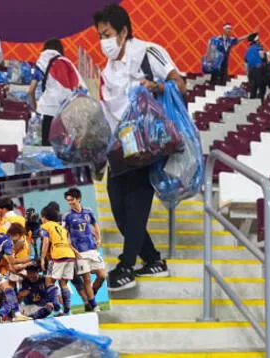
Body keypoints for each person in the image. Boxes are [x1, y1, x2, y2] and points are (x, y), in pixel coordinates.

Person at [93, 4, 182, 291]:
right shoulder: (107, 70)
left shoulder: (148, 52)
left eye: (106, 34)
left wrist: (156, 87)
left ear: (123, 32)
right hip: (119, 148)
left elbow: (179, 83)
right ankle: (154, 259)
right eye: (99, 36)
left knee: (136, 206)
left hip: (145, 145)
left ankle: (126, 265)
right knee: (118, 208)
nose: (103, 41)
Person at [27, 38, 87, 146]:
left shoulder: (42, 60)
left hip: (48, 112)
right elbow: (82, 89)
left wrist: (35, 108)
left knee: (46, 150)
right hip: (66, 113)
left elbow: (31, 90)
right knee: (61, 151)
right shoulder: (67, 62)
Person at [62, 188, 106, 311]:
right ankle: (94, 305)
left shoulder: (88, 211)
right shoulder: (67, 216)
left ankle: (91, 295)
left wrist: (99, 238)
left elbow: (94, 224)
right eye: (68, 201)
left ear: (79, 199)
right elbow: (64, 236)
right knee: (86, 279)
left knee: (102, 275)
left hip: (92, 249)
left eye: (71, 200)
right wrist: (73, 250)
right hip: (79, 252)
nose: (70, 202)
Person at [39, 205, 78, 315]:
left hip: (58, 255)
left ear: (44, 217)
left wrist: (42, 259)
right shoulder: (62, 228)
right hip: (70, 255)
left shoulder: (45, 226)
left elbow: (46, 242)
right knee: (63, 283)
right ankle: (67, 311)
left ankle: (56, 307)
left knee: (49, 281)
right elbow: (69, 242)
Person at [245, 33, 270, 100]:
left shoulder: (248, 50)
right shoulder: (259, 48)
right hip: (259, 71)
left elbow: (246, 62)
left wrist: (247, 73)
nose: (259, 41)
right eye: (258, 39)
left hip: (251, 72)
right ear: (256, 40)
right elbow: (263, 57)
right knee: (262, 88)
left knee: (253, 89)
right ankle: (260, 104)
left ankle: (251, 104)